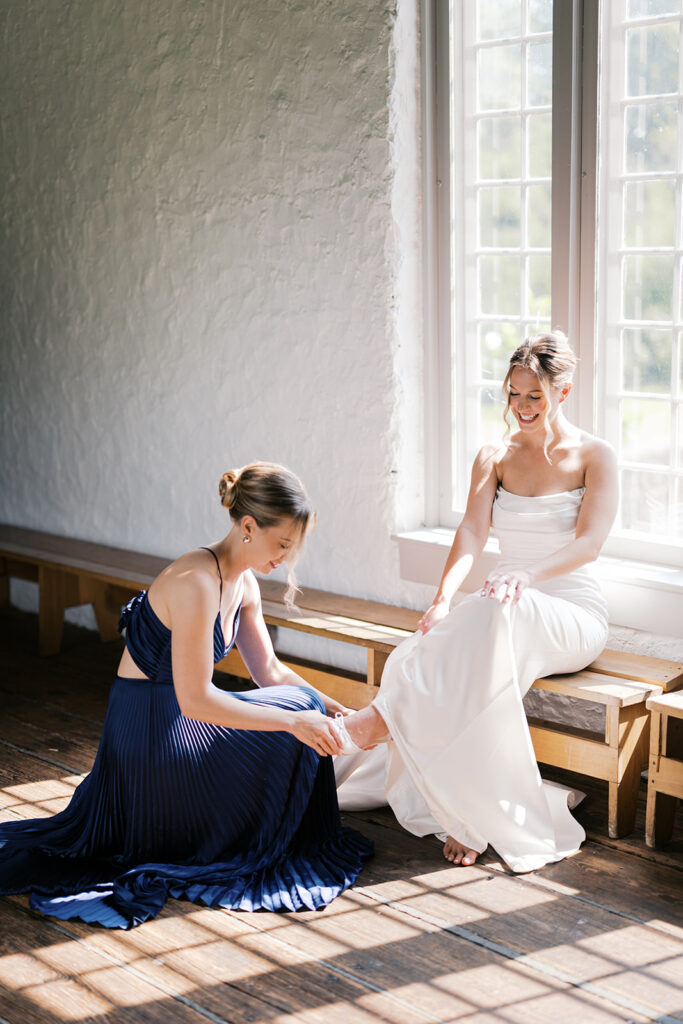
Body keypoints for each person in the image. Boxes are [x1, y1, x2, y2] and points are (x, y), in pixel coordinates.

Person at [0, 462, 372, 927]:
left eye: (292, 548)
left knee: (305, 704)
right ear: (249, 527)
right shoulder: (195, 581)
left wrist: (331, 707)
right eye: (281, 544)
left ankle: (268, 824)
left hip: (180, 719)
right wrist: (296, 721)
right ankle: (234, 831)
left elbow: (270, 671)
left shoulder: (245, 582)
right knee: (295, 716)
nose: (284, 558)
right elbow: (197, 699)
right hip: (150, 732)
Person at [333, 333, 617, 873]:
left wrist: (525, 574)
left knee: (497, 609)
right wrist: (441, 600)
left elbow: (589, 545)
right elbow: (470, 532)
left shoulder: (595, 456)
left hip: (570, 613)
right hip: (502, 605)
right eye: (513, 395)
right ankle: (466, 811)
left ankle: (375, 723)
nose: (522, 408)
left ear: (564, 391)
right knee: (426, 647)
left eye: (534, 396)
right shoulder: (495, 457)